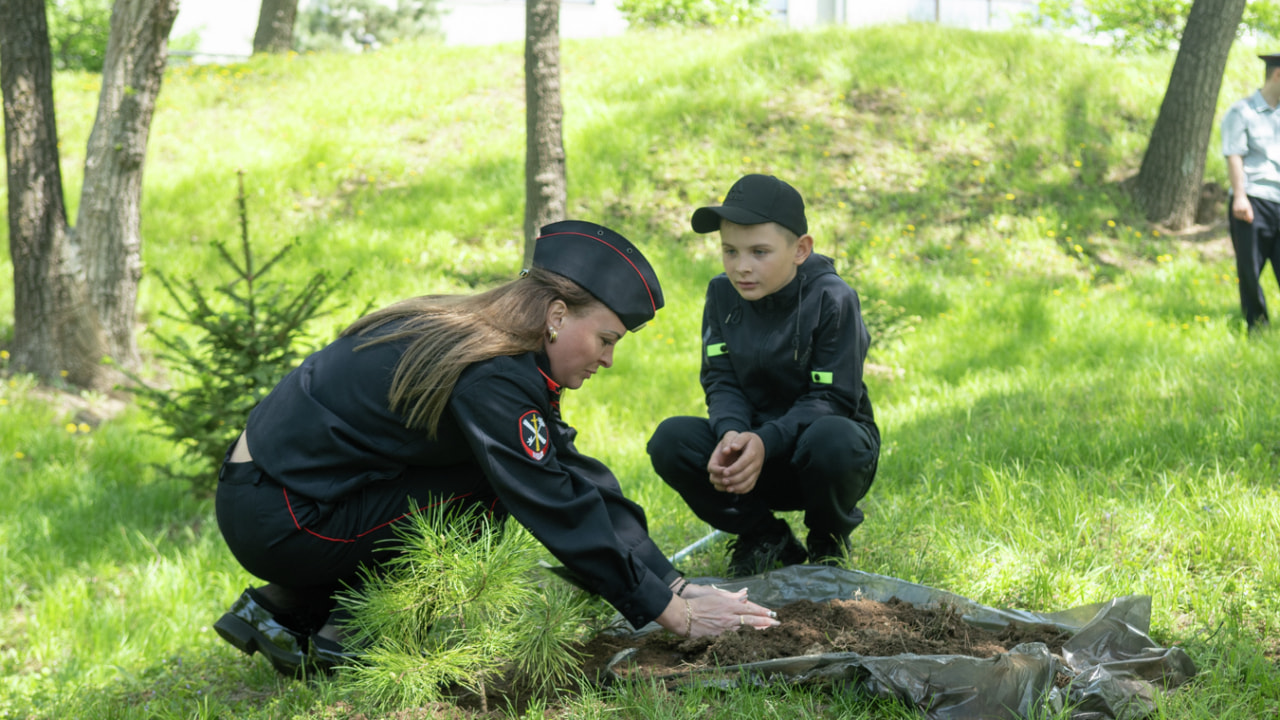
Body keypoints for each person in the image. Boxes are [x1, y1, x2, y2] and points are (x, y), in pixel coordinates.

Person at [212, 220, 779, 677]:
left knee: (511, 473)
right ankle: (353, 634)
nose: (608, 359)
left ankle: (287, 610)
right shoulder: (495, 375)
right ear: (557, 315)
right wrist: (671, 614)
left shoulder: (495, 347)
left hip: (280, 496)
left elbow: (571, 471)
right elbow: (552, 499)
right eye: (606, 339)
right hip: (282, 515)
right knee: (497, 488)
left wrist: (670, 580)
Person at [647, 175, 879, 578]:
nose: (742, 267)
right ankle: (765, 537)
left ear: (800, 249)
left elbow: (832, 399)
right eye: (730, 251)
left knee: (833, 438)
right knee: (671, 440)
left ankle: (828, 544)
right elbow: (721, 379)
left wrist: (765, 439)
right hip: (750, 462)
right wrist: (732, 434)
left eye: (760, 252)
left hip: (822, 459)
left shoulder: (833, 298)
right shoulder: (721, 295)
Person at [1223, 52, 1280, 332]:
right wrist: (1240, 195)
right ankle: (1257, 327)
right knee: (1250, 269)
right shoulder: (1242, 112)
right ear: (1278, 75)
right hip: (1253, 200)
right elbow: (1234, 155)